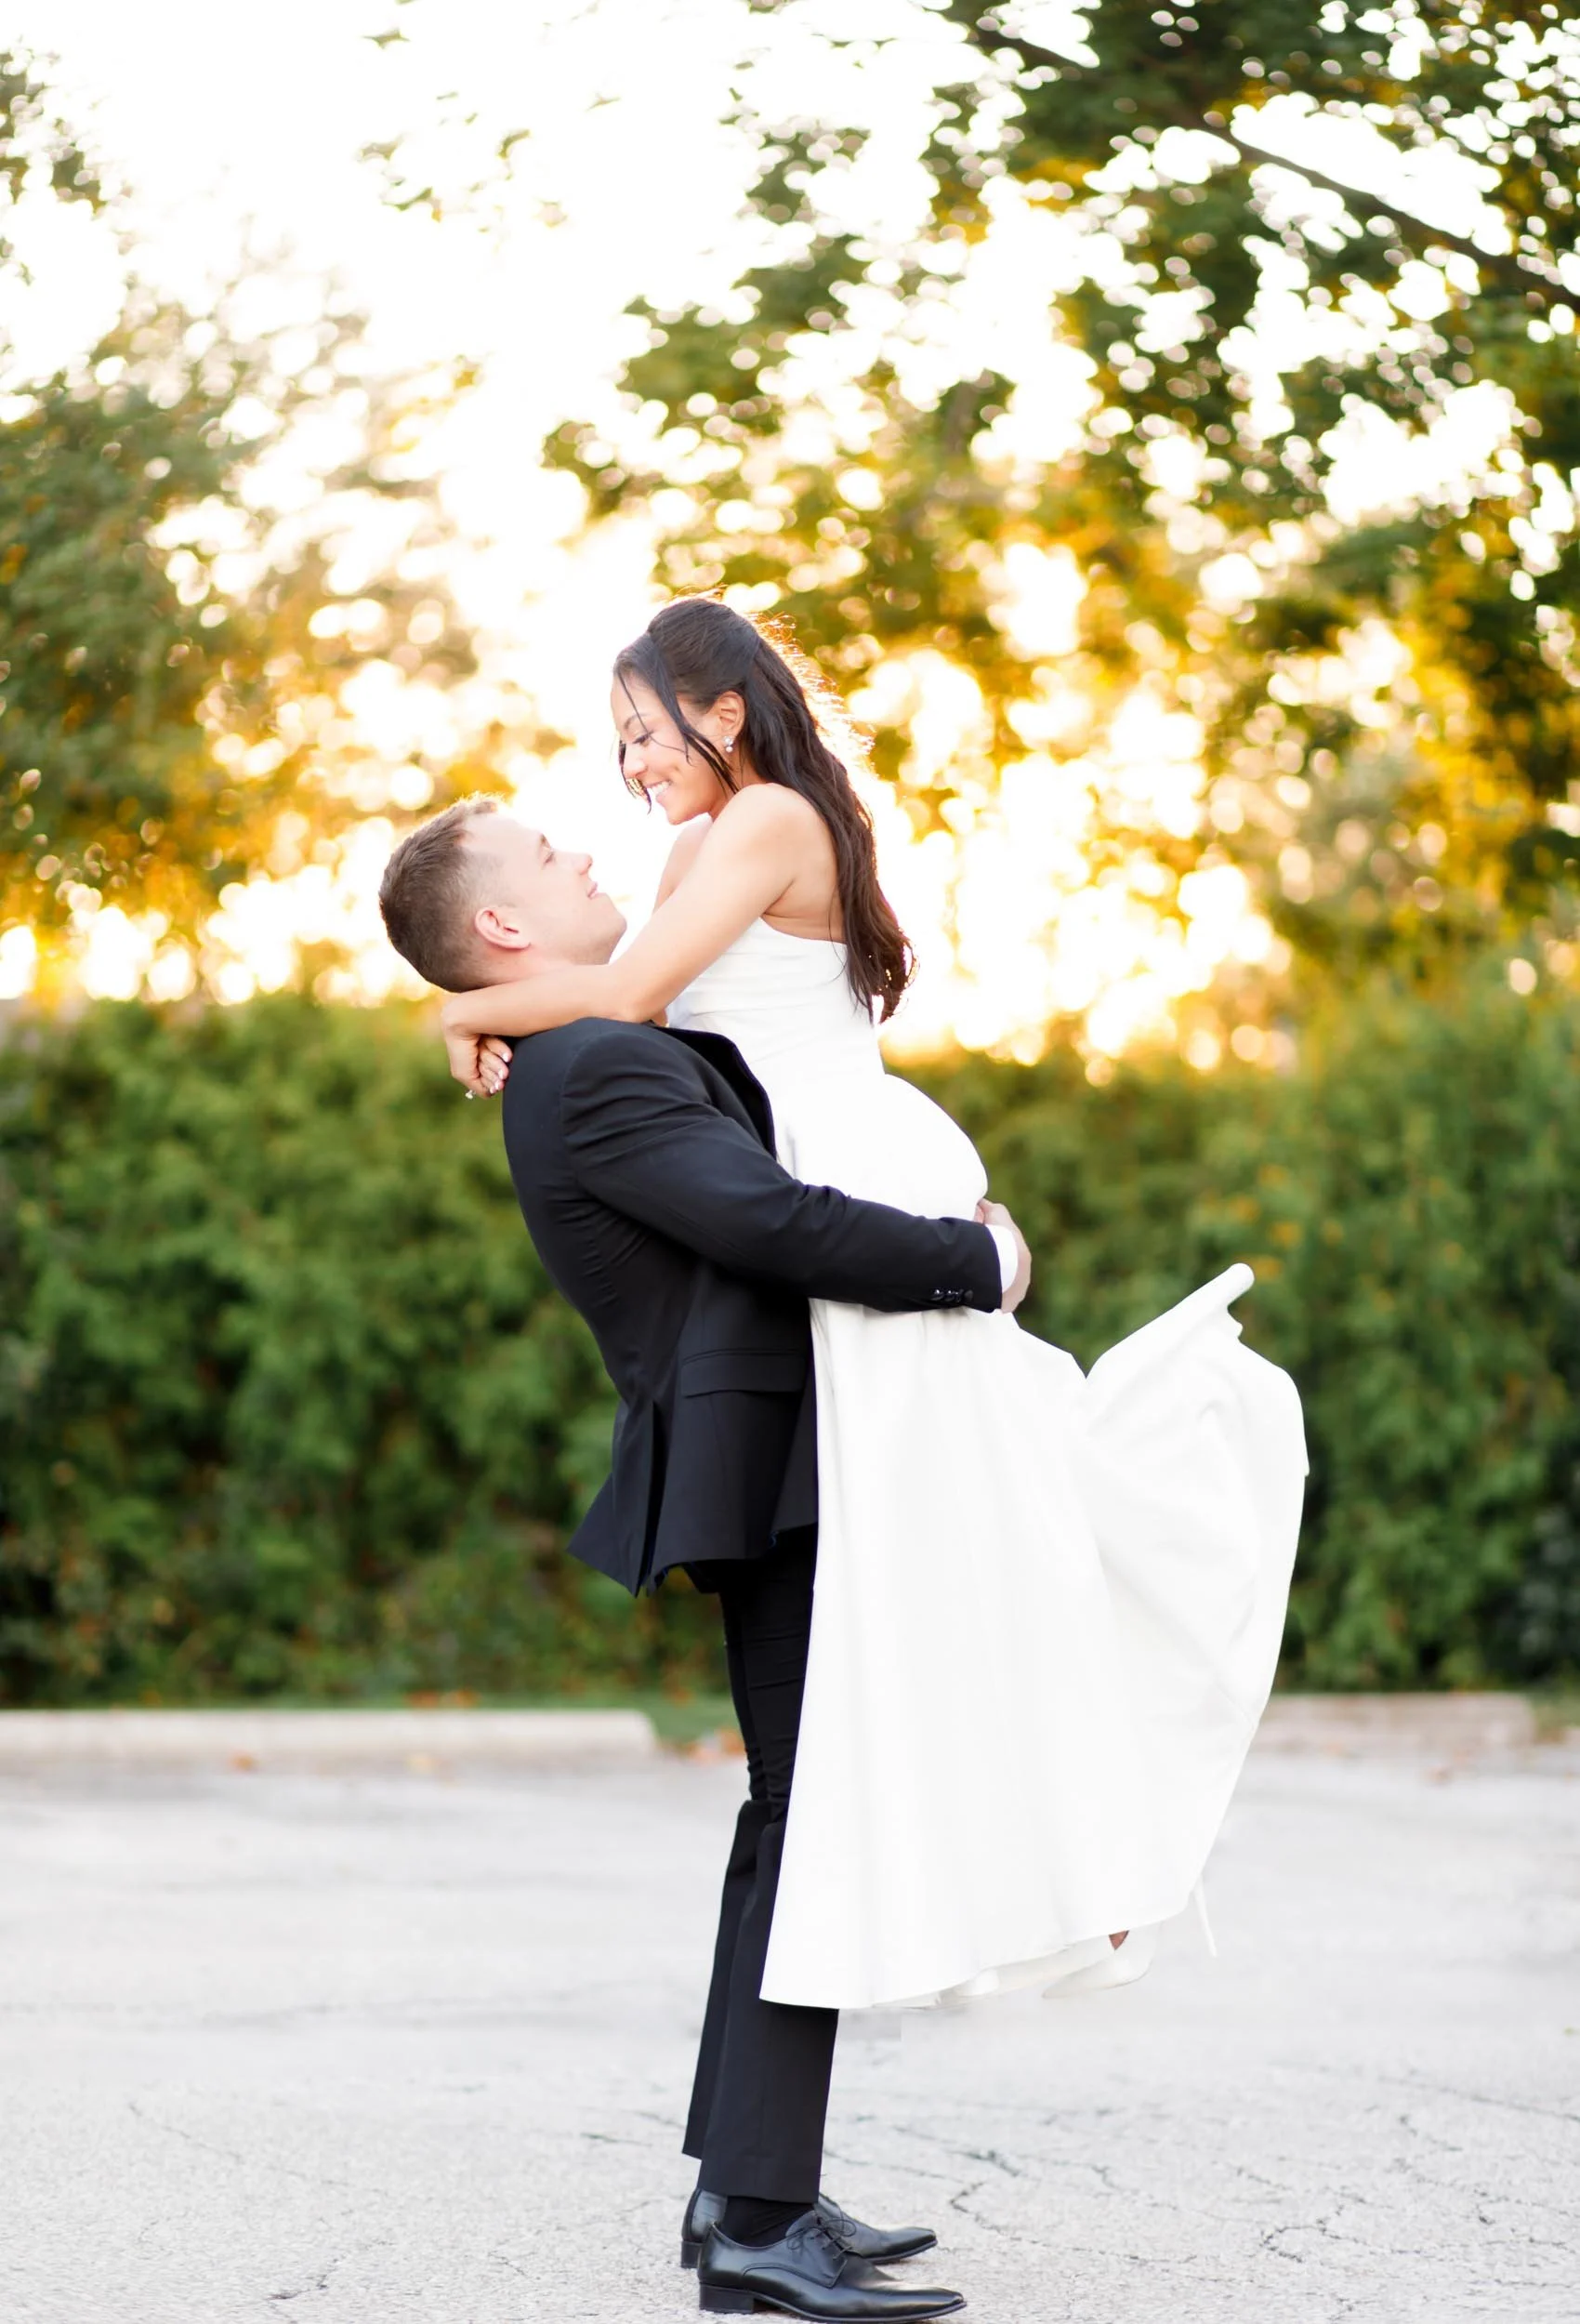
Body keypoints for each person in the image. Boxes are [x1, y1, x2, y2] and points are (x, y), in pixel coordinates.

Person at [436, 598, 1304, 2022]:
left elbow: (636, 992)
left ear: (722, 713)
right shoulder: (690, 847)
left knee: (972, 1550)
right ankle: (987, 1883)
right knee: (906, 1598)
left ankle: (1082, 1840)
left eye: (646, 732)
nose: (634, 766)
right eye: (619, 746)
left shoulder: (771, 818)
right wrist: (496, 1008)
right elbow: (636, 1023)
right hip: (796, 1174)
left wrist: (458, 1012)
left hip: (851, 1169)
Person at [378, 799, 1024, 2320]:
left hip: (788, 1460)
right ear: (501, 927)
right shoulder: (594, 1069)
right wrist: (977, 1262)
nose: (589, 854)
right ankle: (754, 2229)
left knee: (791, 1819)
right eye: (549, 857)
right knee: (808, 1824)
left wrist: (469, 1015)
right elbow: (772, 1222)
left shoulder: (583, 1042)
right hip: (773, 1473)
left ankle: (746, 2193)